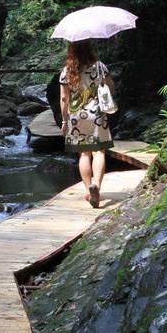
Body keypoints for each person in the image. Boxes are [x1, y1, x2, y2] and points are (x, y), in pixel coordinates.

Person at [59, 39, 114, 208]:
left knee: (83, 154)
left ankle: (88, 190)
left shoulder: (67, 71)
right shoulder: (99, 67)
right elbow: (111, 88)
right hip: (97, 113)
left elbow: (63, 98)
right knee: (99, 152)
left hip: (76, 116)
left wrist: (64, 121)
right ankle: (96, 185)